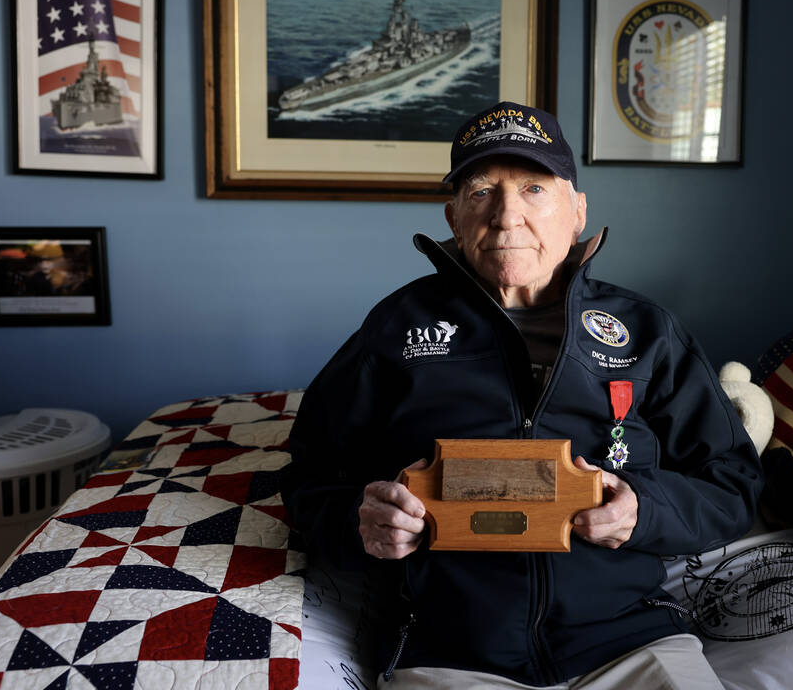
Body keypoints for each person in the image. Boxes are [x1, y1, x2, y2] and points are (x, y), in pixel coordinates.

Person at [282, 101, 764, 689]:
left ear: (577, 211)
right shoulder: (396, 328)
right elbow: (310, 477)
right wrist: (363, 520)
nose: (507, 216)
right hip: (448, 649)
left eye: (534, 188)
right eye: (482, 191)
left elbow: (733, 483)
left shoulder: (647, 330)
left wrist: (645, 510)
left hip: (629, 641)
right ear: (453, 216)